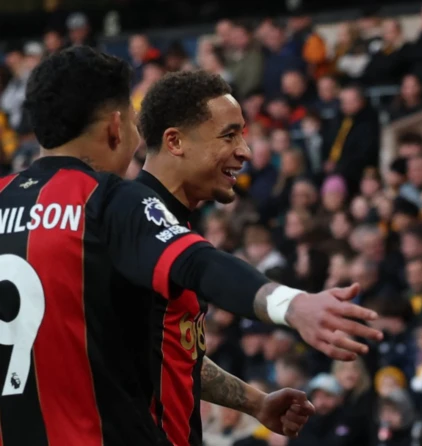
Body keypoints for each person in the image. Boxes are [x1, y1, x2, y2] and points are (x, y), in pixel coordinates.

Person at [0, 46, 381, 445]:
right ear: (116, 127)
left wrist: (252, 401)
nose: (245, 151)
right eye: (230, 135)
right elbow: (201, 264)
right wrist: (292, 304)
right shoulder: (110, 203)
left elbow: (162, 350)